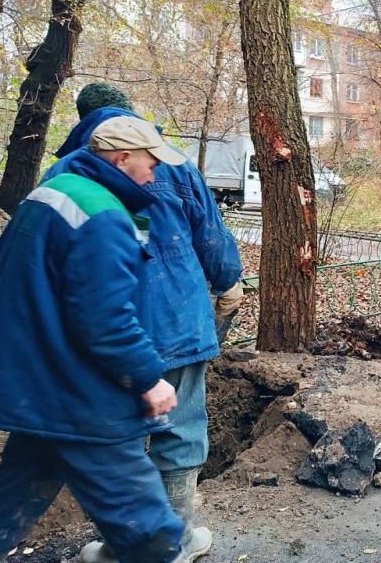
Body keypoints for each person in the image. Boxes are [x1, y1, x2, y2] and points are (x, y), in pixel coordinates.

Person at [46, 83, 244, 563]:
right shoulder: (174, 163)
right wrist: (229, 284)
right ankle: (172, 545)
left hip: (98, 331)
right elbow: (211, 237)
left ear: (83, 119)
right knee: (179, 431)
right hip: (177, 321)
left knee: (116, 437)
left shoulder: (63, 173)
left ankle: (124, 548)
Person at [0, 116, 191, 563]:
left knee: (16, 495)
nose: (155, 174)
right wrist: (148, 378)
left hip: (35, 382)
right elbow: (105, 318)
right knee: (146, 525)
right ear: (122, 159)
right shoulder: (103, 216)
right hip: (76, 393)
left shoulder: (57, 193)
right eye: (150, 162)